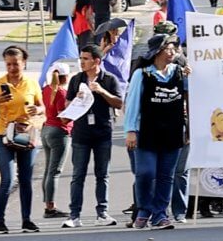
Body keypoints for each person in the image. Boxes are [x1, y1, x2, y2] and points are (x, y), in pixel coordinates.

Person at [124, 34, 187, 230]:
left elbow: (189, 96)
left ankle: (160, 214)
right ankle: (144, 209)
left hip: (173, 131)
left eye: (174, 49)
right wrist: (131, 130)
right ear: (158, 51)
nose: (173, 52)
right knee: (145, 172)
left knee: (166, 176)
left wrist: (188, 129)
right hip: (148, 132)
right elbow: (132, 103)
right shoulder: (142, 74)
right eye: (168, 48)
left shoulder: (179, 72)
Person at [63, 45, 124, 229]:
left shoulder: (109, 79)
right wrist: (77, 99)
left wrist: (101, 91)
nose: (82, 62)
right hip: (81, 133)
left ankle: (102, 213)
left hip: (102, 133)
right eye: (81, 58)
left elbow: (119, 103)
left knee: (102, 175)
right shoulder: (76, 80)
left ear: (96, 61)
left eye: (86, 59)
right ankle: (74, 215)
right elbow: (67, 107)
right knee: (78, 175)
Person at [0, 46, 44, 234]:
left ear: (24, 62)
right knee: (8, 179)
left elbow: (41, 106)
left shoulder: (31, 83)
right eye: (8, 64)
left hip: (26, 134)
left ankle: (26, 220)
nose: (12, 68)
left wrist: (38, 110)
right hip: (4, 134)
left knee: (26, 179)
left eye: (16, 64)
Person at [41, 62, 72, 219]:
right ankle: (50, 206)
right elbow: (63, 118)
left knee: (48, 169)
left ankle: (47, 203)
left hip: (46, 129)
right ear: (65, 77)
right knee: (55, 171)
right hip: (59, 132)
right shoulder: (61, 93)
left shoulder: (47, 90)